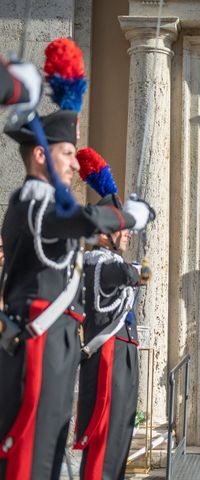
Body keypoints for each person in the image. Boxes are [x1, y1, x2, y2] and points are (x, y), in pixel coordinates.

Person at [0, 39, 154, 480]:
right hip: (39, 334)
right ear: (40, 155)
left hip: (59, 337)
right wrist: (130, 213)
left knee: (49, 448)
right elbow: (81, 219)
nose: (72, 164)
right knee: (29, 446)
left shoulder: (48, 202)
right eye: (66, 153)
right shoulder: (34, 200)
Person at [73, 148, 145, 480]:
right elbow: (138, 274)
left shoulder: (111, 260)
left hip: (123, 350)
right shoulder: (98, 261)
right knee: (105, 435)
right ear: (104, 232)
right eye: (121, 227)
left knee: (120, 433)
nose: (127, 232)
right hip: (108, 352)